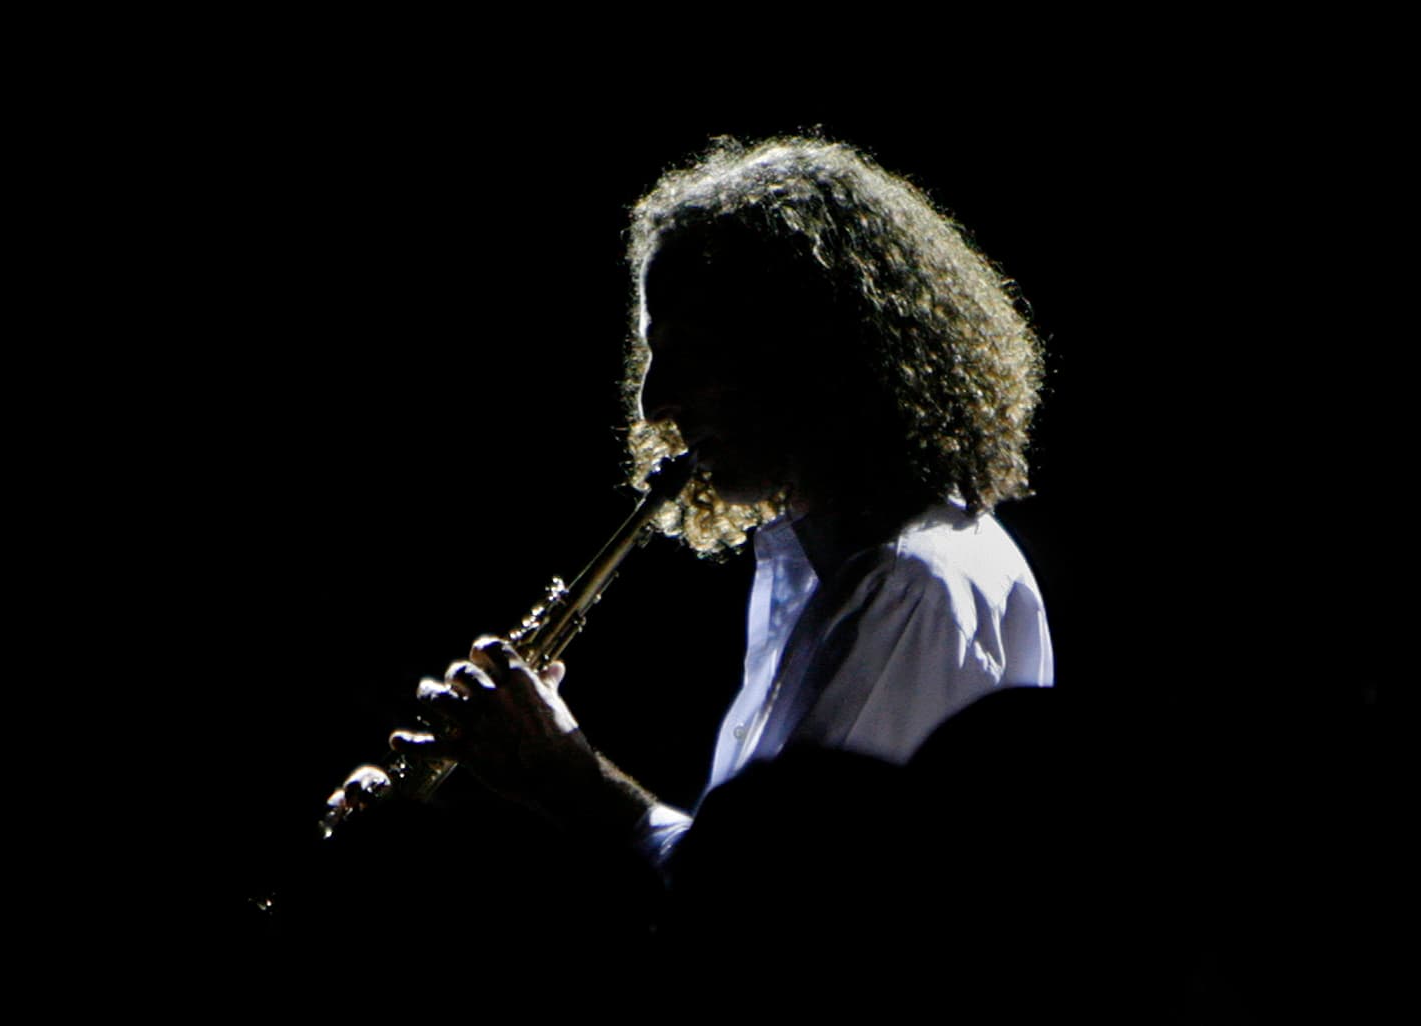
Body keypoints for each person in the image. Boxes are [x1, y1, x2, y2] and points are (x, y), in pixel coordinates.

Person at [389, 135, 1052, 873]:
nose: (652, 404)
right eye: (651, 353)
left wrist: (567, 777)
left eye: (691, 352)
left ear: (805, 349)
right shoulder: (837, 566)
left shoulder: (907, 587)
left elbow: (764, 914)